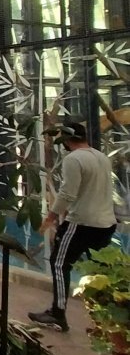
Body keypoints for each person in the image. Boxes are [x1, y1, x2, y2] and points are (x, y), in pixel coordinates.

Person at [29, 121, 117, 332]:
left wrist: (51, 217)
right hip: (106, 223)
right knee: (100, 270)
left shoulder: (74, 159)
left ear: (67, 139)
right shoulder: (102, 157)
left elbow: (68, 193)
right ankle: (110, 319)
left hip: (81, 223)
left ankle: (58, 313)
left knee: (59, 264)